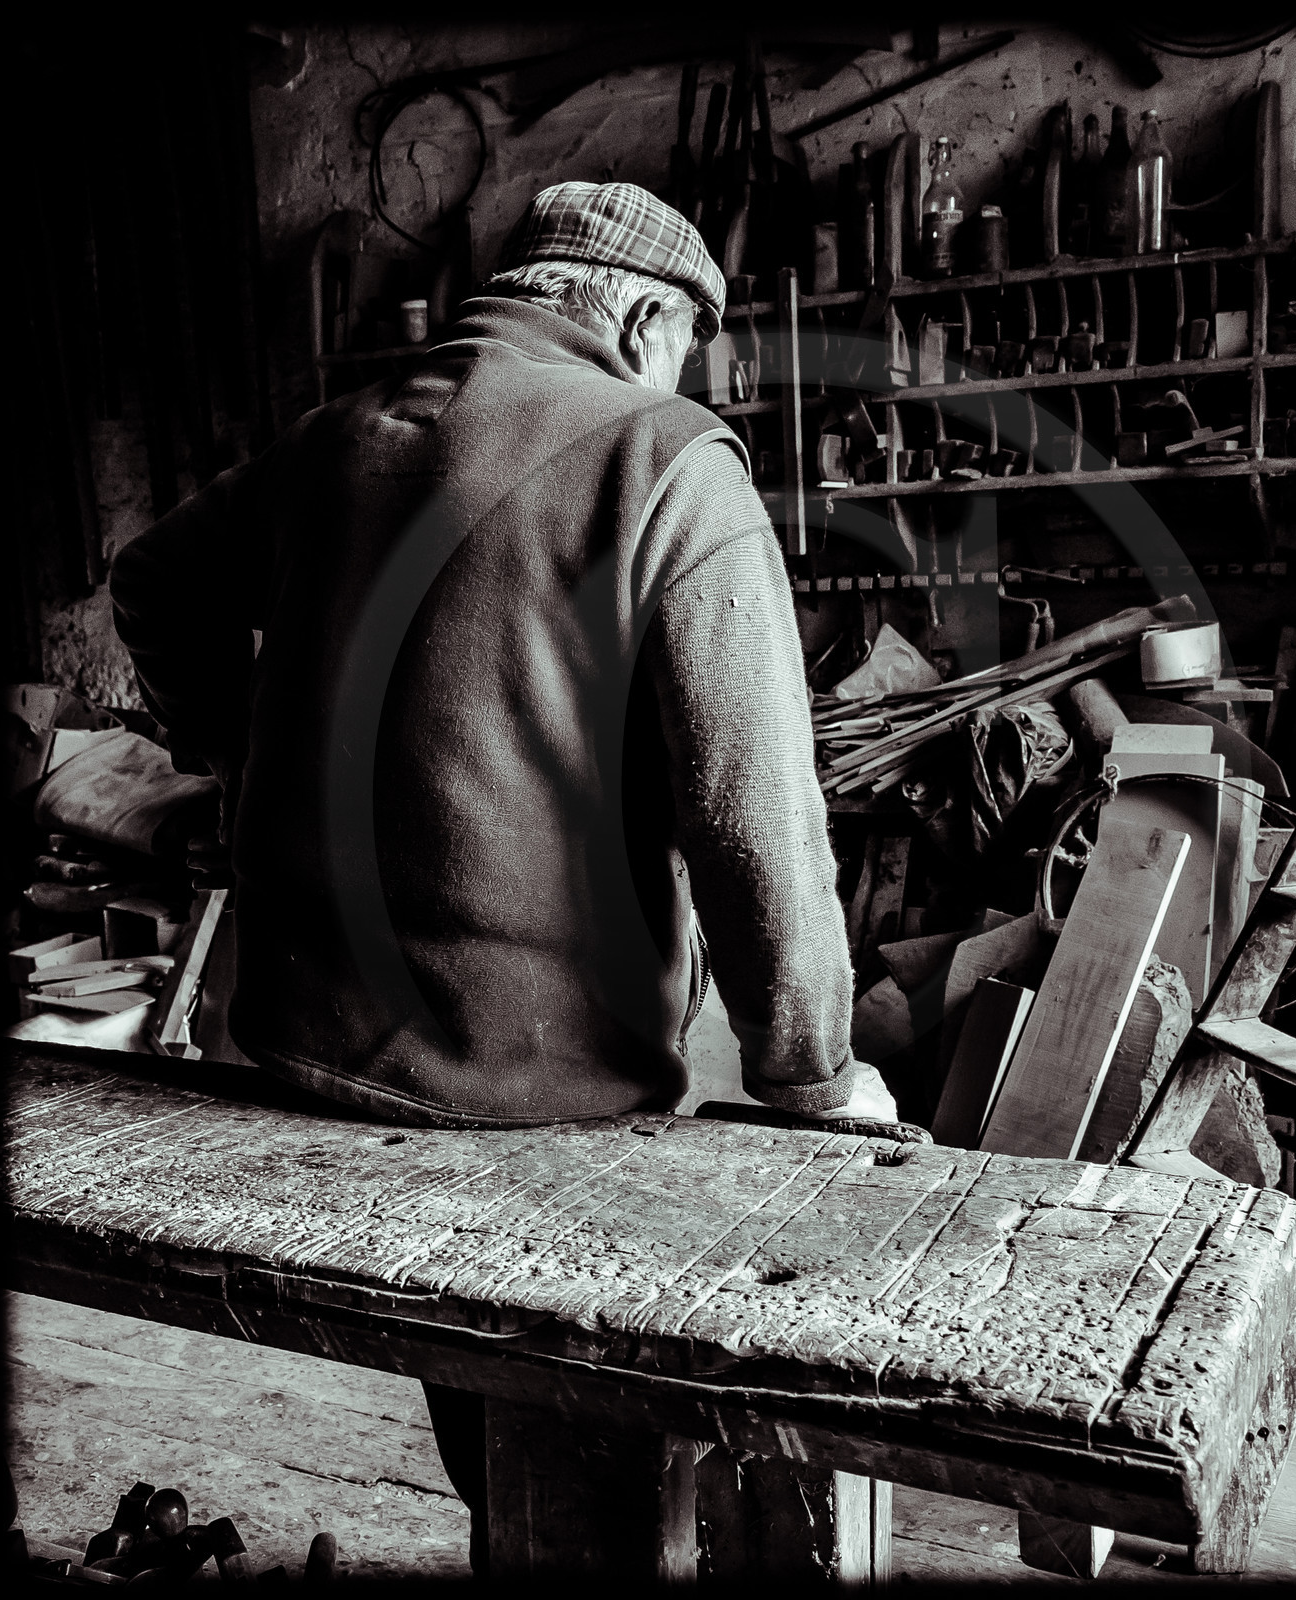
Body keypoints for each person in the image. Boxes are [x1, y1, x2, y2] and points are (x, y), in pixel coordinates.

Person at [111, 181, 895, 1569]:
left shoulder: (335, 437)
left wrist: (238, 755)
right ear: (642, 319)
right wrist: (815, 1077)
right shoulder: (668, 458)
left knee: (502, 1437)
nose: (688, 381)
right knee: (605, 1452)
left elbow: (150, 582)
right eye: (688, 348)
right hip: (535, 1086)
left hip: (308, 1046)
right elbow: (753, 814)